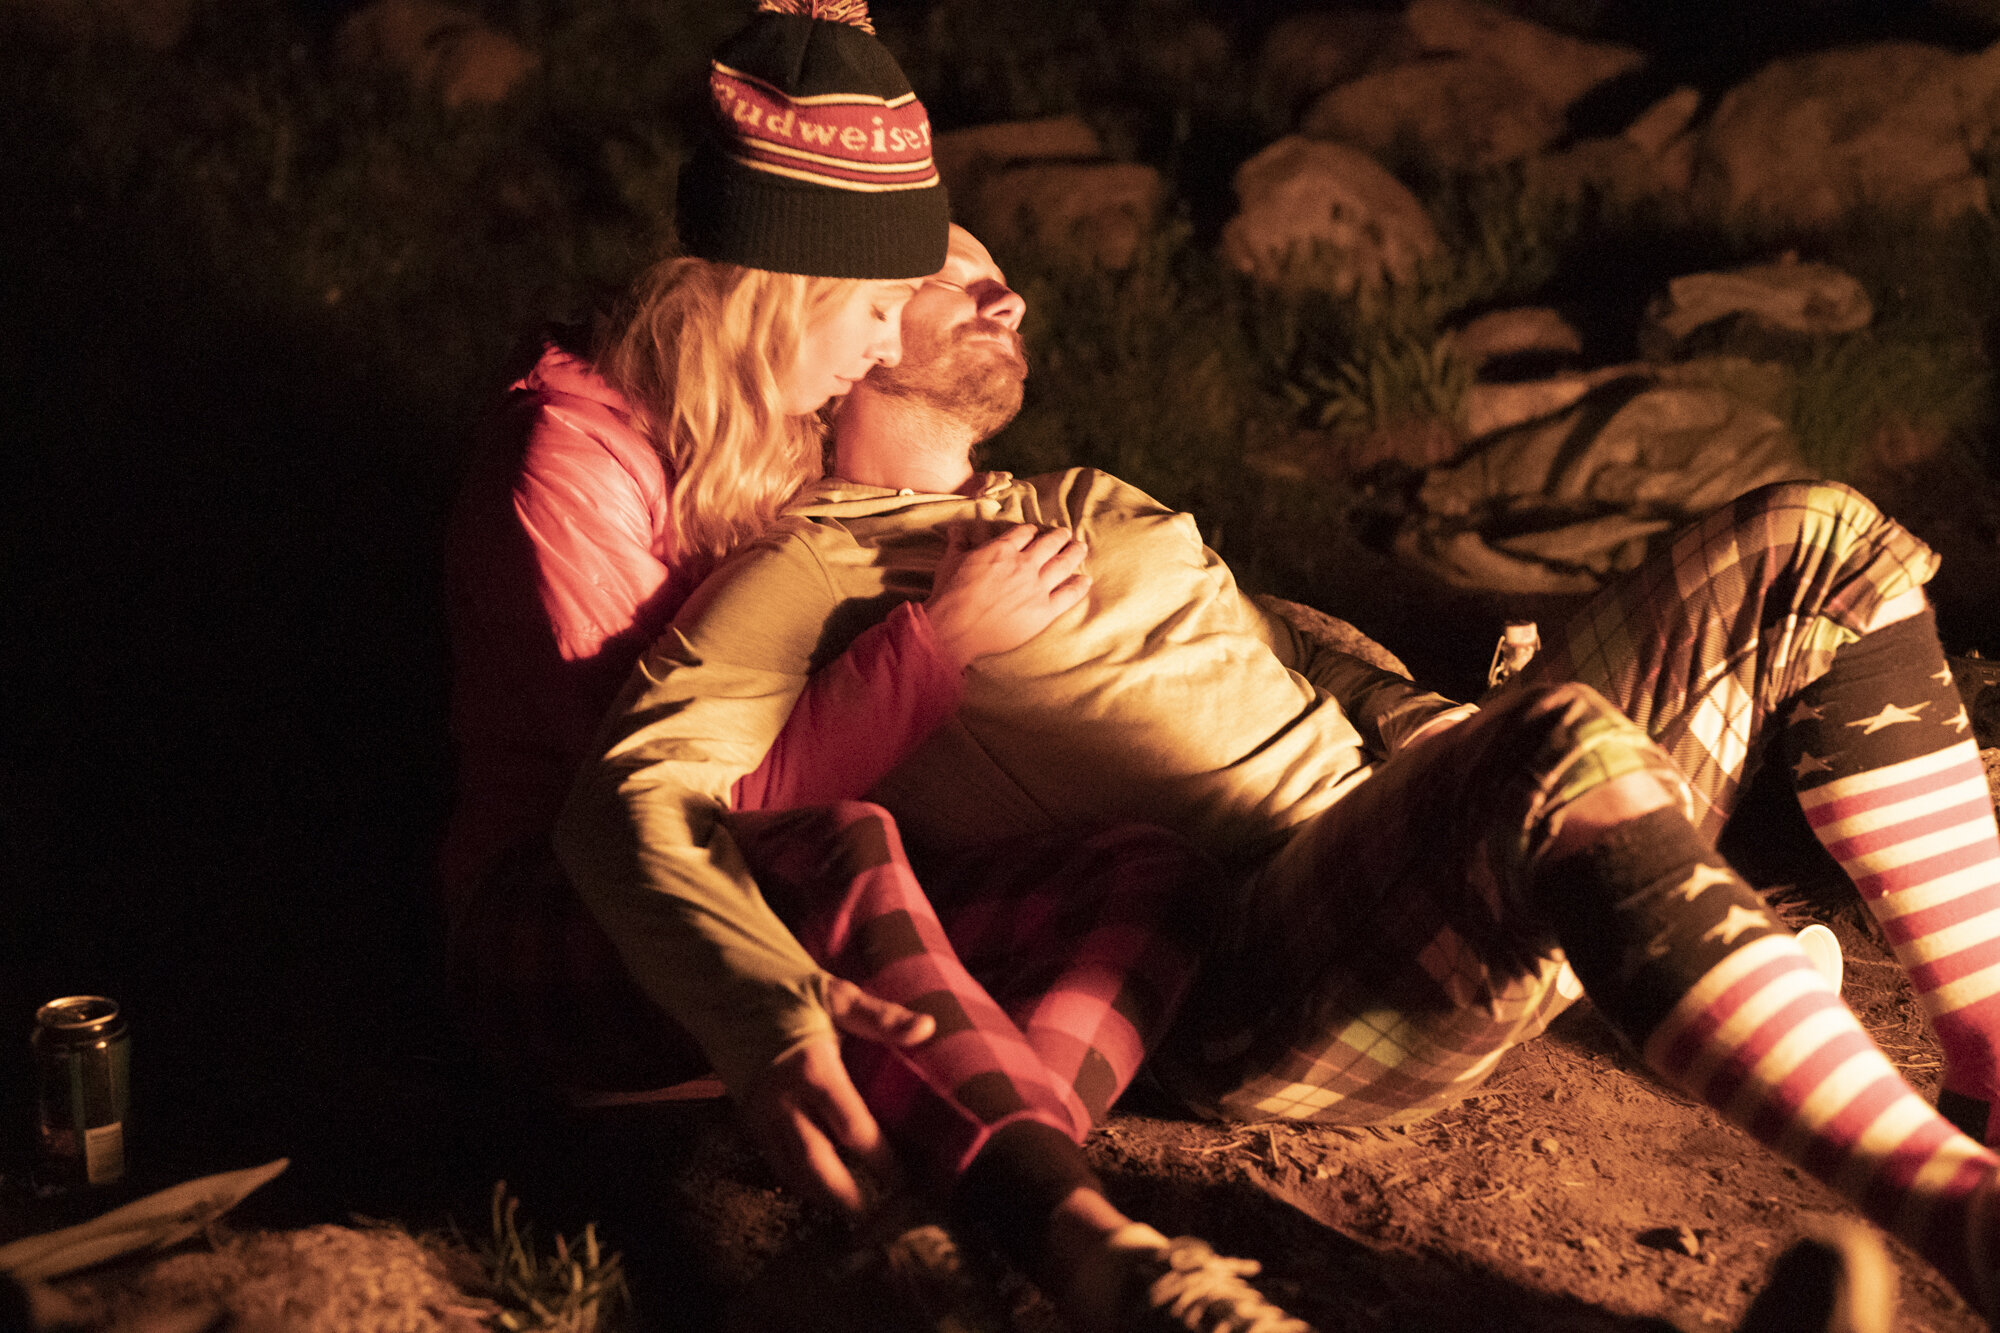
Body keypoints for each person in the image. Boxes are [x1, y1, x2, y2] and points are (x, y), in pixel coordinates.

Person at [555, 223, 2000, 1328]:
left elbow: (1286, 643)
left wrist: (1419, 717)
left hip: (1416, 817)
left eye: (999, 270)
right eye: (948, 276)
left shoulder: (1074, 495)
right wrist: (932, 645)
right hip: (1272, 963)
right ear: (850, 332)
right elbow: (682, 787)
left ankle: (1989, 1066)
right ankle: (1958, 1212)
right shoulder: (822, 564)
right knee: (1559, 755)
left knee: (1817, 531)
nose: (1005, 296)